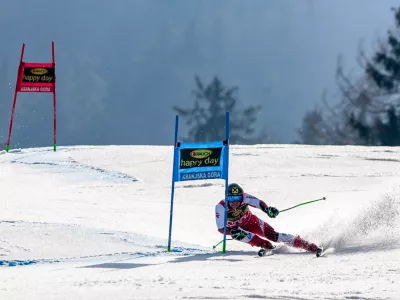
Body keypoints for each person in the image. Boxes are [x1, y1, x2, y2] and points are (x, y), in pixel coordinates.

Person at [215, 183, 323, 257]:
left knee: (274, 236)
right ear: (226, 198)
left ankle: (309, 246)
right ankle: (266, 246)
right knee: (238, 234)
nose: (235, 202)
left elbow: (258, 203)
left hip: (252, 222)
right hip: (238, 229)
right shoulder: (221, 207)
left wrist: (268, 210)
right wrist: (231, 231)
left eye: (237, 198)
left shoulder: (245, 197)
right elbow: (221, 229)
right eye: (231, 199)